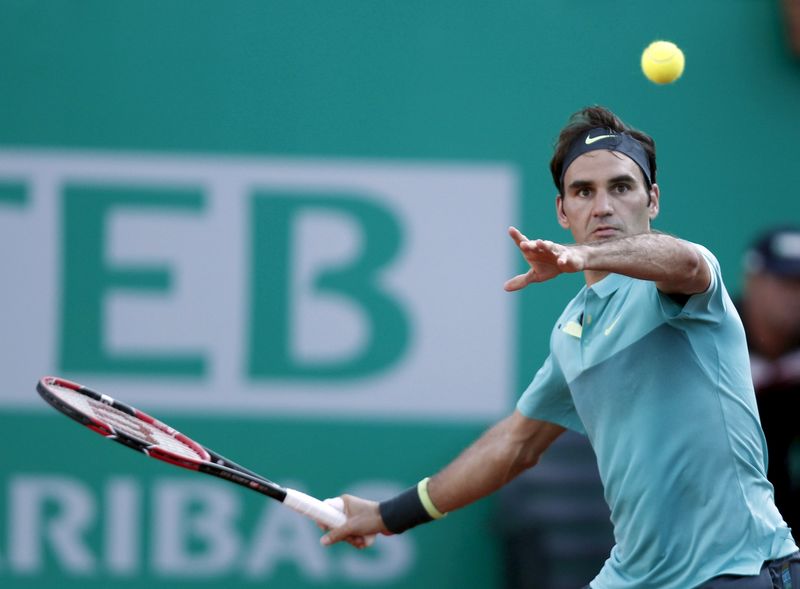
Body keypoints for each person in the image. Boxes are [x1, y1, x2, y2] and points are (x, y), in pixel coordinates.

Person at [320, 106, 800, 588]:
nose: (603, 206)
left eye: (622, 187)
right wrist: (388, 514)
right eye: (583, 191)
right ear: (561, 210)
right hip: (635, 577)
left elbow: (684, 261)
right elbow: (514, 446)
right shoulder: (573, 331)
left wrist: (586, 254)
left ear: (652, 200)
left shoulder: (683, 288)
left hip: (736, 572)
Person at [738, 226, 800, 542]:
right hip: (702, 513)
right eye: (784, 283)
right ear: (753, 282)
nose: (793, 297)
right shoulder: (711, 332)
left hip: (782, 514)